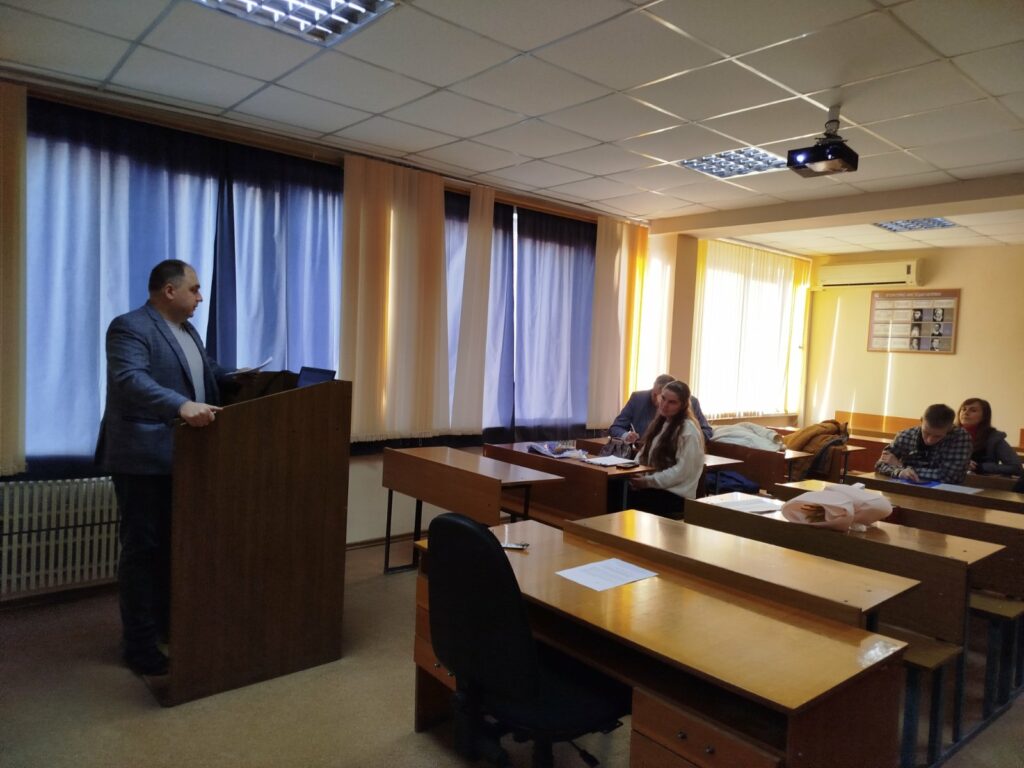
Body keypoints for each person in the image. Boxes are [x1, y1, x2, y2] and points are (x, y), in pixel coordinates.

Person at [96, 259, 232, 676]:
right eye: (194, 289)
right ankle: (138, 646)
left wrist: (246, 377)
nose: (201, 297)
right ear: (169, 291)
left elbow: (206, 374)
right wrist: (181, 405)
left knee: (174, 547)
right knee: (143, 550)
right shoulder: (130, 327)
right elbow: (130, 380)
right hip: (142, 458)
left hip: (183, 457)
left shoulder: (188, 331)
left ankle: (167, 625)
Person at [627, 380, 705, 518]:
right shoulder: (662, 422)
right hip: (655, 488)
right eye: (663, 398)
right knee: (614, 488)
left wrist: (647, 481)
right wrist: (635, 472)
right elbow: (643, 453)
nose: (664, 405)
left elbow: (682, 472)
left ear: (683, 405)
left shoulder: (688, 430)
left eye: (672, 402)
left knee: (620, 499)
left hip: (674, 496)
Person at [874, 403, 972, 484]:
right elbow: (880, 464)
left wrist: (901, 466)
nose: (929, 440)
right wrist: (899, 472)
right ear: (921, 421)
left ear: (950, 428)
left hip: (945, 494)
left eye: (937, 436)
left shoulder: (960, 437)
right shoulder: (905, 435)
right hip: (906, 489)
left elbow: (951, 476)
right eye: (926, 432)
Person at [610, 374, 713, 443]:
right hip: (640, 454)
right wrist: (626, 435)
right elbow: (616, 427)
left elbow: (706, 431)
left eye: (670, 401)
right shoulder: (638, 398)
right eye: (654, 394)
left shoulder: (691, 402)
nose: (658, 400)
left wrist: (683, 441)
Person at [956, 398, 1023, 476]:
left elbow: (1016, 467)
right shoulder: (948, 433)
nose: (966, 413)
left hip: (979, 481)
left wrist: (979, 467)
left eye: (973, 410)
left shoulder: (994, 438)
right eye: (963, 409)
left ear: (984, 416)